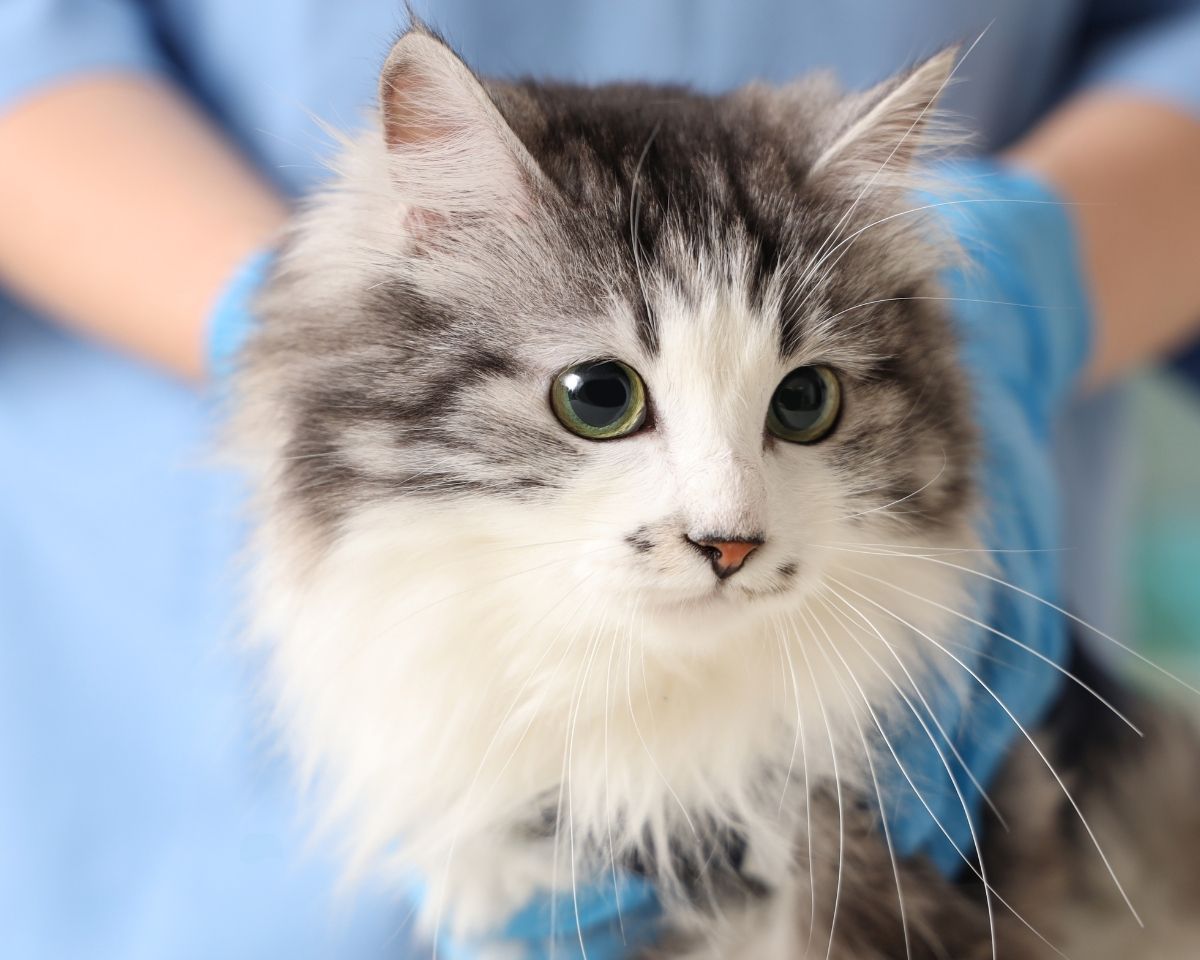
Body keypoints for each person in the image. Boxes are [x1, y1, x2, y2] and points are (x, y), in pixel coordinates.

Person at [2, 2, 1199, 957]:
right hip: (153, 803)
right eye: (602, 399)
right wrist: (261, 321)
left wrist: (1048, 261)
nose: (724, 521)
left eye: (801, 404)